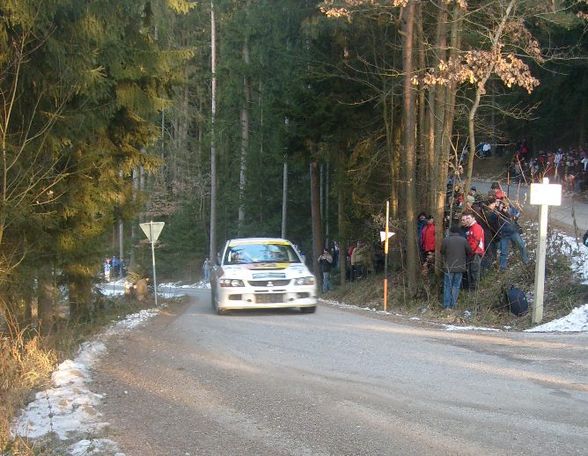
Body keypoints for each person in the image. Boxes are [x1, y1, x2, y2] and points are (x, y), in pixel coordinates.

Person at [441, 224, 472, 309]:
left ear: (450, 231)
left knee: (447, 286)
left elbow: (442, 251)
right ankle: (453, 304)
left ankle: (446, 306)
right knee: (456, 286)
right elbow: (470, 251)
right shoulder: (463, 240)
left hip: (449, 267)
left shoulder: (446, 240)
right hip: (460, 267)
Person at [496, 200, 529, 270]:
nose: (505, 206)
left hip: (513, 232)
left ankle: (526, 261)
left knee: (521, 245)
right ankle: (502, 267)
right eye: (503, 205)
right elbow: (498, 220)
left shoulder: (512, 209)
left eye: (506, 204)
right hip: (504, 234)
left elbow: (515, 217)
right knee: (503, 252)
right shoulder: (499, 212)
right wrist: (501, 210)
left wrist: (515, 210)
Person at [461, 211, 484, 290]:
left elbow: (475, 242)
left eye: (468, 218)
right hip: (472, 253)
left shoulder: (476, 227)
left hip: (476, 252)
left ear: (473, 218)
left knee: (474, 271)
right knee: (471, 272)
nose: (467, 220)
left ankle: (475, 291)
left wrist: (470, 252)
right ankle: (472, 290)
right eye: (466, 218)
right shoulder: (471, 228)